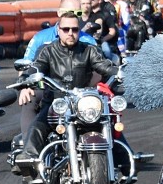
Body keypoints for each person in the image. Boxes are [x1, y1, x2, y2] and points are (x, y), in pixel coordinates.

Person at [16, 12, 117, 173]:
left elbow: (103, 65)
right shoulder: (48, 51)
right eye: (66, 29)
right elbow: (37, 66)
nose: (70, 33)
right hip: (56, 102)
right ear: (59, 30)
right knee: (38, 125)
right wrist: (27, 77)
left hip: (82, 102)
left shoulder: (89, 50)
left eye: (75, 29)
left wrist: (120, 73)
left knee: (109, 122)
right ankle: (28, 157)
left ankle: (125, 161)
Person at [18, 0, 98, 146]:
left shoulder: (89, 41)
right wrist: (25, 86)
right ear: (59, 12)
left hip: (82, 91)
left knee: (107, 109)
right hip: (48, 89)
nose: (73, 17)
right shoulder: (41, 38)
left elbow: (100, 68)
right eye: (69, 12)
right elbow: (28, 65)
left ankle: (122, 155)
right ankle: (28, 148)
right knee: (28, 99)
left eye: (78, 13)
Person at [88, 0, 120, 64]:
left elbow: (112, 31)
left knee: (107, 52)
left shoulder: (106, 13)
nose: (90, 1)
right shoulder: (86, 12)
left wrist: (103, 40)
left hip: (100, 41)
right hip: (86, 39)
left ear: (99, 0)